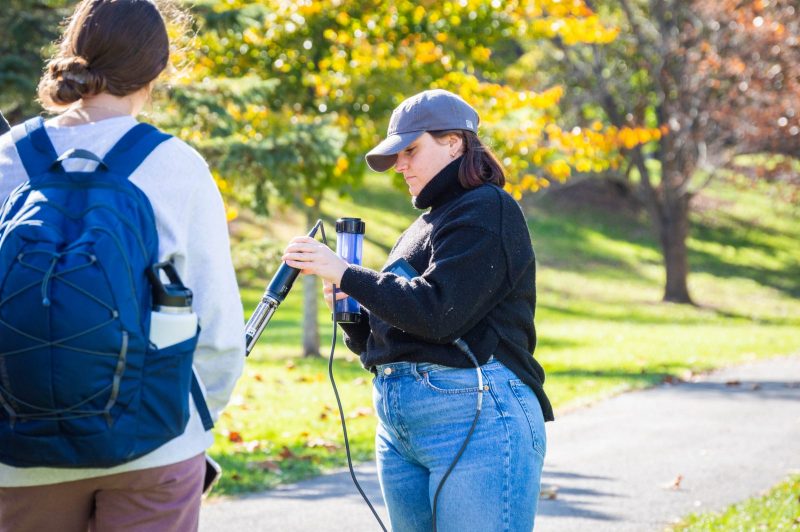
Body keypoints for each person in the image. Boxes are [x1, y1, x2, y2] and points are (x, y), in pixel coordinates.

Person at [0, 1, 244, 530]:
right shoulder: (176, 166)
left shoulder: (7, 158)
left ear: (72, 53)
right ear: (159, 68)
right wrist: (196, 425)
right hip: (155, 442)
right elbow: (220, 329)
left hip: (17, 449)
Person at [282, 89, 553, 531]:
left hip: (477, 415)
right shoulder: (425, 224)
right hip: (401, 426)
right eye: (396, 156)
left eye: (410, 150)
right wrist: (355, 316)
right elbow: (399, 332)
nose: (400, 166)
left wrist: (348, 274)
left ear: (455, 142)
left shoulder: (488, 208)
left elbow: (439, 312)